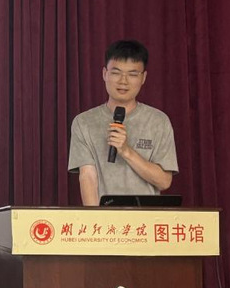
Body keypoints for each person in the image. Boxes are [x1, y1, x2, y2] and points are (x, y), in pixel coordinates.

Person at [68, 40, 178, 206]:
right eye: (116, 73)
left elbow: (164, 181)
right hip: (105, 218)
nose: (123, 81)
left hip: (146, 217)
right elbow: (88, 177)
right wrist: (94, 219)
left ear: (143, 78)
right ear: (104, 74)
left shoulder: (158, 121)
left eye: (132, 74)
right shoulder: (84, 122)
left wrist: (126, 151)